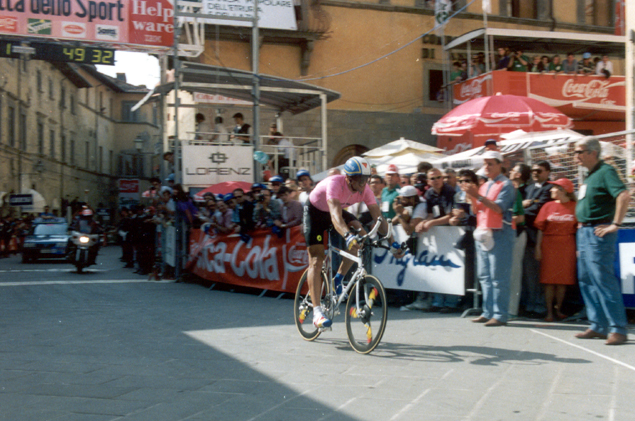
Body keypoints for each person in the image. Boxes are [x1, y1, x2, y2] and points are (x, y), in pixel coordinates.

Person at [303, 156, 403, 328]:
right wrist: (348, 236)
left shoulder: (365, 190)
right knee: (316, 260)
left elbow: (378, 218)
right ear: (349, 178)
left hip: (336, 212)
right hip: (316, 212)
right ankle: (317, 312)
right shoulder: (335, 183)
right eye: (361, 179)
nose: (364, 183)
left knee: (362, 236)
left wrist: (393, 242)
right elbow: (335, 216)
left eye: (367, 179)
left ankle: (338, 278)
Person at [573, 138, 629, 345]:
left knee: (603, 279)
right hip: (585, 232)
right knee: (586, 279)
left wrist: (615, 224)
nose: (576, 156)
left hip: (599, 232)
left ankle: (617, 328)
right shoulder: (590, 175)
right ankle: (598, 325)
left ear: (593, 152)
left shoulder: (606, 171)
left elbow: (623, 195)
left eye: (580, 151)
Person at [465, 151, 516, 326]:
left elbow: (499, 208)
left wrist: (477, 195)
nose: (486, 167)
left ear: (500, 164)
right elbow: (476, 210)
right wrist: (473, 196)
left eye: (490, 164)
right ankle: (488, 312)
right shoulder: (485, 185)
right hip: (484, 232)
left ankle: (500, 315)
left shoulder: (506, 184)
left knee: (498, 276)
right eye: (485, 163)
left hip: (500, 232)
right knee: (485, 275)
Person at [534, 178, 577, 323]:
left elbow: (579, 229)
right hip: (549, 244)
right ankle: (549, 311)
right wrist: (538, 247)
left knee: (562, 280)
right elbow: (540, 229)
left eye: (554, 188)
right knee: (549, 281)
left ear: (563, 190)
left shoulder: (575, 206)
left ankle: (559, 309)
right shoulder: (547, 206)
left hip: (567, 245)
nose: (551, 190)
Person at [417, 167, 458, 312]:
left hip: (452, 232)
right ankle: (438, 302)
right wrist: (423, 222)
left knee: (452, 267)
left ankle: (451, 303)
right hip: (439, 234)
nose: (436, 181)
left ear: (442, 178)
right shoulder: (429, 193)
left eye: (438, 177)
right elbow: (430, 214)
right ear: (428, 181)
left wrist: (430, 223)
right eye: (432, 178)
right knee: (439, 267)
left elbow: (450, 215)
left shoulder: (449, 191)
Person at [521, 160, 553, 318]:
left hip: (538, 236)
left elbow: (539, 209)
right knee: (528, 272)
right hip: (526, 234)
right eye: (533, 170)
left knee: (537, 272)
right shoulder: (528, 188)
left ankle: (539, 306)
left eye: (539, 170)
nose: (535, 173)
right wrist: (523, 206)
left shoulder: (549, 188)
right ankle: (530, 304)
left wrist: (521, 211)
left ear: (547, 172)